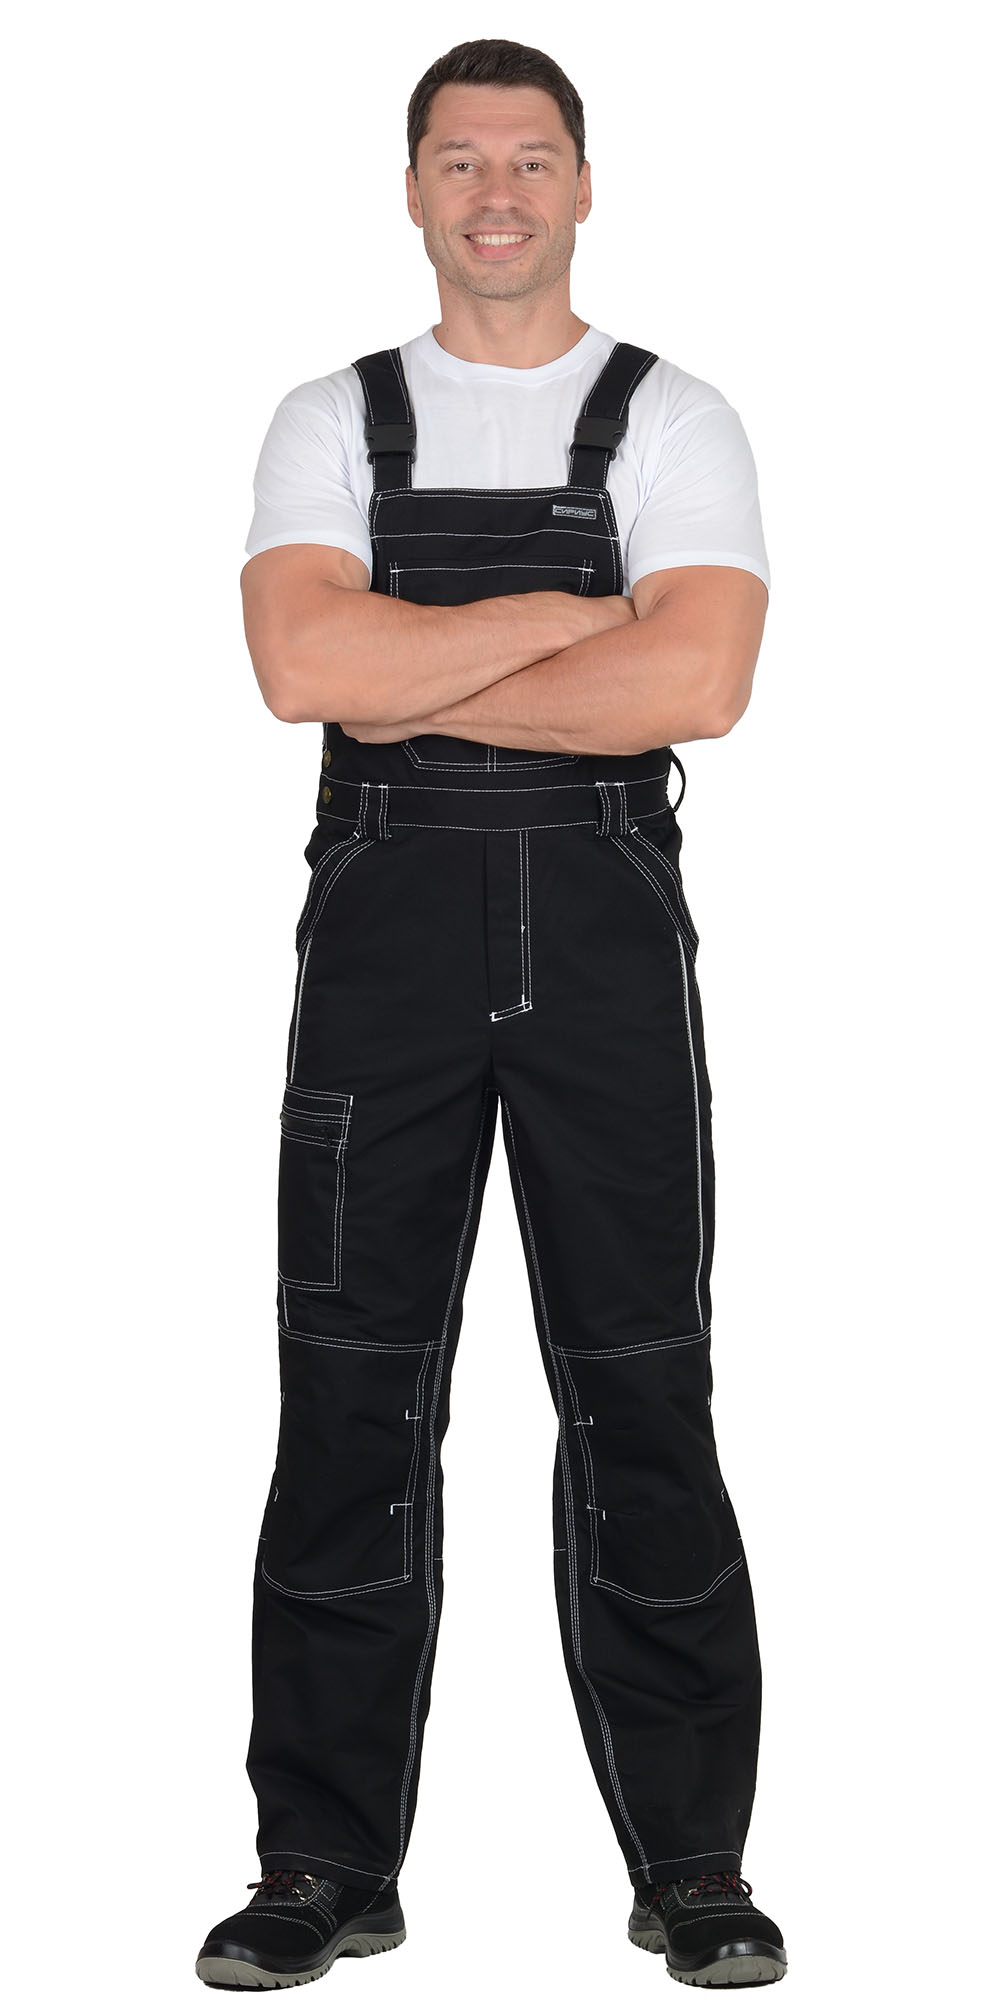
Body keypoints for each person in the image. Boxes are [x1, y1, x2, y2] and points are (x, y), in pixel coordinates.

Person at [195, 36, 787, 1991]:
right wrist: (576, 619)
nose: (497, 193)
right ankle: (319, 1864)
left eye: (530, 159)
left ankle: (692, 1863)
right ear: (412, 190)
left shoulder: (676, 414)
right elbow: (304, 666)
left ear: (583, 184)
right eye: (460, 161)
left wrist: (422, 668)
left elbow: (698, 687)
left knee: (642, 1389)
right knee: (351, 1401)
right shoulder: (328, 418)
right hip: (385, 961)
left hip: (604, 959)